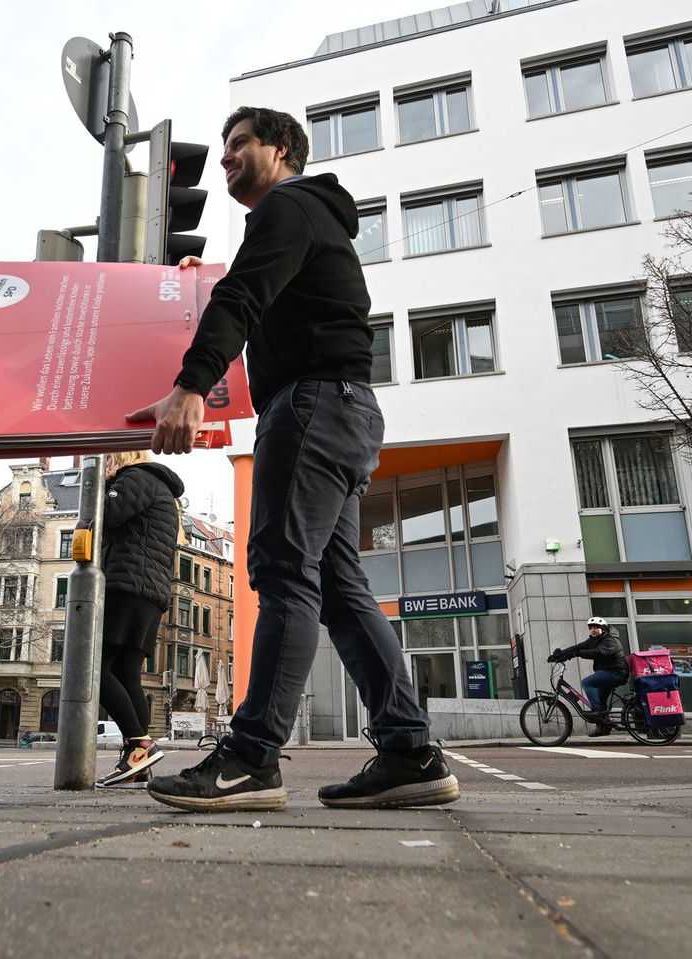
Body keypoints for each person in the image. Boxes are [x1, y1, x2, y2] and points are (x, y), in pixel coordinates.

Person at [128, 107, 459, 812]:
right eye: (223, 150)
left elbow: (243, 296)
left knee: (283, 571)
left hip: (310, 407)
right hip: (345, 409)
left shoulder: (286, 206)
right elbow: (261, 292)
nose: (225, 160)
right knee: (338, 587)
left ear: (281, 150)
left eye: (239, 145)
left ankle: (252, 756)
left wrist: (191, 387)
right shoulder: (311, 218)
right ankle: (408, 749)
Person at [94, 451, 184, 787]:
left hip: (126, 585)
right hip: (149, 592)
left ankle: (140, 745)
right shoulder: (158, 487)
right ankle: (139, 762)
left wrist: (100, 486)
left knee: (93, 671)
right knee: (126, 674)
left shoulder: (137, 478)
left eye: (107, 462)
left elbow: (106, 513)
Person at [549, 617, 629, 736]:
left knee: (587, 683)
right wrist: (561, 654)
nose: (593, 630)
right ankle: (603, 727)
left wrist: (577, 654)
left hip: (616, 673)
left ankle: (597, 713)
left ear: (603, 629)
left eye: (596, 628)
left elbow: (599, 652)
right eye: (591, 628)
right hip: (604, 673)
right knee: (601, 701)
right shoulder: (593, 640)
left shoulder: (611, 640)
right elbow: (578, 647)